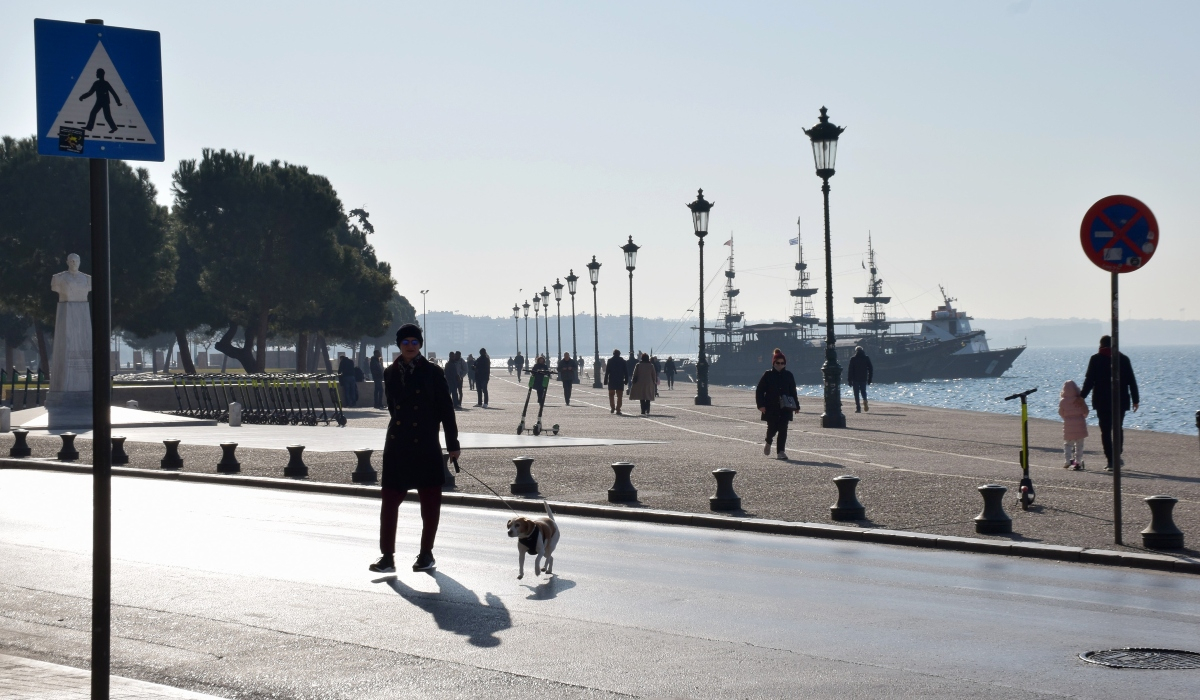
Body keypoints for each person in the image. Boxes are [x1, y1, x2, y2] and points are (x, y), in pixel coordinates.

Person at [370, 323, 459, 573]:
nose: (410, 346)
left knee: (429, 503)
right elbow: (393, 407)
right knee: (389, 501)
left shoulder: (433, 372)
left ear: (420, 345)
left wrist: (453, 445)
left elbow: (446, 411)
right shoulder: (390, 372)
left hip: (426, 444)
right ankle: (387, 557)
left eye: (414, 342)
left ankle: (426, 554)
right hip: (397, 444)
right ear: (399, 344)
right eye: (405, 342)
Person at [1080, 335, 1139, 471]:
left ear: (1100, 345)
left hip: (1102, 401)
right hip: (1121, 400)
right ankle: (1117, 456)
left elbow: (1090, 380)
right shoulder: (1123, 359)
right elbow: (1131, 381)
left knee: (1105, 431)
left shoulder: (1095, 359)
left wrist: (1082, 397)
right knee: (1118, 428)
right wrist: (1136, 400)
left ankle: (1111, 460)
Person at [756, 348, 800, 460]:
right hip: (771, 406)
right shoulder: (768, 375)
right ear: (773, 363)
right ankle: (768, 441)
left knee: (783, 429)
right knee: (772, 427)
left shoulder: (789, 375)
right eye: (778, 363)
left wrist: (797, 406)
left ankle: (781, 451)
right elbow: (760, 390)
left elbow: (793, 391)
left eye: (782, 363)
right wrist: (760, 405)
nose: (780, 365)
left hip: (786, 407)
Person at [1058, 380, 1088, 470]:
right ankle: (1078, 462)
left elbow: (1060, 412)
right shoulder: (1079, 400)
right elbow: (1086, 411)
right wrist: (1083, 417)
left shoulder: (1063, 402)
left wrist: (1066, 418)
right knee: (1079, 445)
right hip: (1080, 425)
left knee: (1068, 444)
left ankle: (1067, 460)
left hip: (1068, 425)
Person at [847, 346, 873, 413]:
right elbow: (870, 368)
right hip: (863, 378)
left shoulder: (853, 359)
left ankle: (858, 408)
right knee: (863, 391)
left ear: (856, 351)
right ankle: (865, 400)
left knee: (856, 393)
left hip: (855, 378)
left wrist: (849, 380)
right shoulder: (866, 358)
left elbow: (850, 370)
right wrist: (869, 378)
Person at [603, 349, 628, 415]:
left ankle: (612, 407)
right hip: (620, 380)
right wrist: (626, 380)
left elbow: (607, 372)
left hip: (612, 380)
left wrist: (605, 380)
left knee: (611, 395)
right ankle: (618, 409)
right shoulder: (623, 361)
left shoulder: (610, 361)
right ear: (619, 354)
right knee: (619, 396)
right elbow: (626, 372)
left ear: (613, 354)